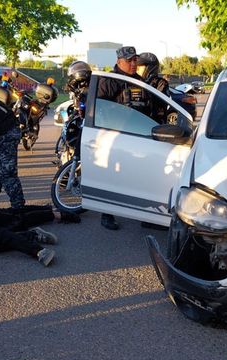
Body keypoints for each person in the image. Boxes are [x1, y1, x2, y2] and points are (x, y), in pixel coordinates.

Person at [95, 45, 144, 230]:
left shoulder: (139, 81)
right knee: (112, 176)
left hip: (138, 135)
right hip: (115, 135)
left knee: (137, 174)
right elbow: (99, 107)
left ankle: (143, 213)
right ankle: (107, 213)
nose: (133, 63)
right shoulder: (109, 80)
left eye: (135, 60)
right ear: (119, 61)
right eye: (129, 60)